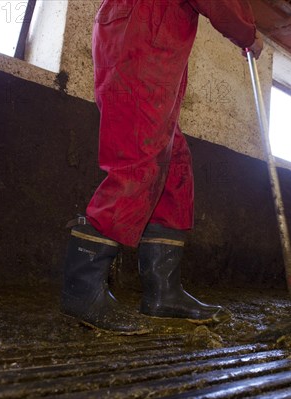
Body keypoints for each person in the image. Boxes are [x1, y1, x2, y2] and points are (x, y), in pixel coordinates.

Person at [61, 0, 264, 334]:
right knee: (139, 159)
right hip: (146, 32)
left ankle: (163, 292)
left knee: (173, 163)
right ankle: (82, 290)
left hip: (147, 32)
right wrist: (247, 33)